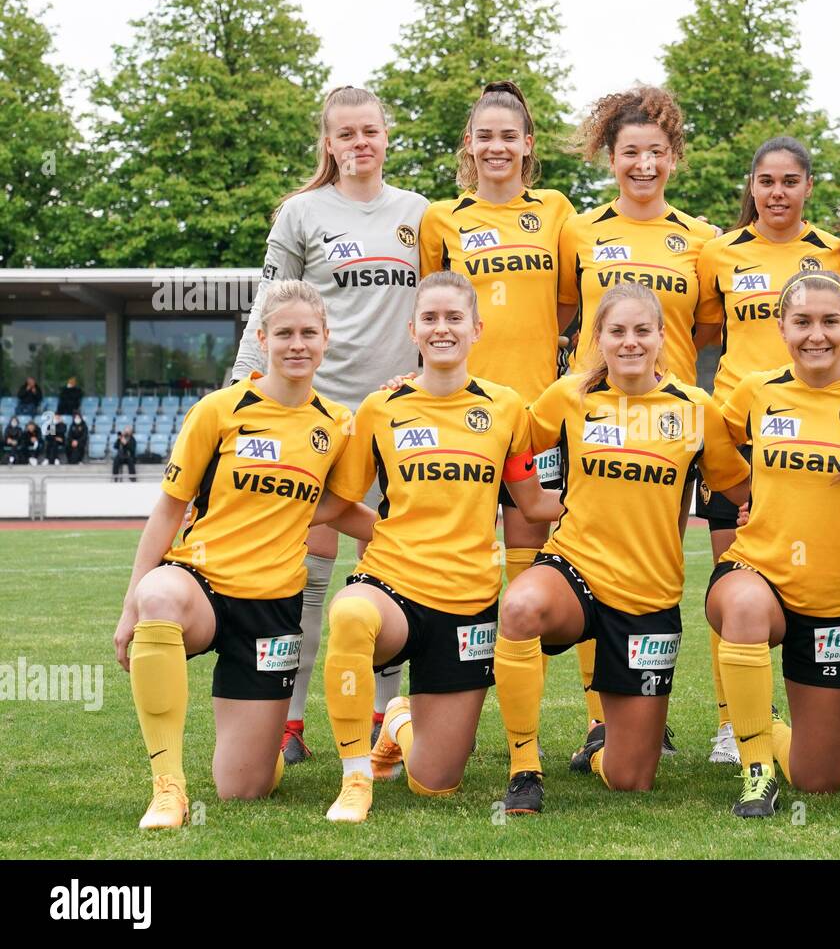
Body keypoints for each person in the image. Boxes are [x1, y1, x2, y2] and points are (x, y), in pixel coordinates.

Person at [112, 280, 371, 829]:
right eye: (284, 333)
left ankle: (258, 749)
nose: (296, 344)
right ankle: (168, 789)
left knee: (243, 789)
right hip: (201, 583)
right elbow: (168, 508)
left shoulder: (338, 424)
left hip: (273, 606)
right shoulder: (219, 410)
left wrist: (400, 535)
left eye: (308, 333)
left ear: (326, 339)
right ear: (262, 339)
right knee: (159, 594)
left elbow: (337, 507)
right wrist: (131, 603)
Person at [494, 282, 750, 815]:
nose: (629, 342)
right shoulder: (570, 396)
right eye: (617, 332)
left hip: (647, 599)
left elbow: (738, 486)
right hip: (575, 572)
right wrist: (535, 504)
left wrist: (769, 511)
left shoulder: (695, 408)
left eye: (641, 331)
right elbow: (506, 439)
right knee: (519, 606)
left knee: (631, 779)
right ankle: (524, 768)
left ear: (661, 337)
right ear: (599, 338)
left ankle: (597, 752)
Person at [230, 85, 429, 764]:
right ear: (330, 143)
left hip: (397, 428)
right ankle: (289, 723)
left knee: (392, 572)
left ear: (385, 135)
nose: (360, 143)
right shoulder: (301, 213)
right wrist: (241, 390)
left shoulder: (420, 216)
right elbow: (268, 305)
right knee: (307, 577)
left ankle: (385, 719)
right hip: (317, 426)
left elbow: (437, 315)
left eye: (369, 130)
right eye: (346, 134)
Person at [319, 271, 562, 823]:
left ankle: (398, 721)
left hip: (468, 603)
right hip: (392, 586)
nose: (442, 328)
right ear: (413, 329)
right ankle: (355, 777)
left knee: (435, 784)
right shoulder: (381, 408)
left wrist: (599, 504)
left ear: (477, 329)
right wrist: (386, 533)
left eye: (454, 318)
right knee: (351, 615)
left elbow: (531, 503)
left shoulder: (508, 410)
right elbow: (336, 503)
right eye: (430, 318)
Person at [705, 270, 840, 816]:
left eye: (829, 321)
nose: (815, 335)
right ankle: (755, 771)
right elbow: (710, 443)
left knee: (820, 780)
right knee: (745, 606)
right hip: (756, 572)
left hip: (835, 597)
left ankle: (762, 724)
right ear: (781, 328)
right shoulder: (756, 391)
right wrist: (744, 495)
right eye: (802, 322)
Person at [556, 85, 716, 752]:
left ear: (673, 157)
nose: (643, 164)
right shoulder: (581, 231)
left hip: (669, 425)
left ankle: (643, 707)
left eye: (655, 151)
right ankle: (600, 720)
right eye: (631, 152)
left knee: (657, 562)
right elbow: (565, 314)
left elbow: (705, 327)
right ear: (610, 157)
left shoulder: (699, 239)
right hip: (590, 420)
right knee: (591, 559)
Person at [691, 136, 840, 765]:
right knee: (735, 578)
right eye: (766, 181)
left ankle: (806, 705)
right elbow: (705, 331)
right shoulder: (719, 252)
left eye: (790, 181)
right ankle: (734, 723)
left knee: (815, 577)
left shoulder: (834, 253)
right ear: (750, 187)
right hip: (737, 433)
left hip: (813, 431)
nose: (777, 193)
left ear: (809, 186)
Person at [418, 81, 576, 677]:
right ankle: (441, 696)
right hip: (459, 418)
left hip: (534, 416)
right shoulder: (441, 219)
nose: (497, 148)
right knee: (453, 566)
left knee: (533, 573)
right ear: (468, 144)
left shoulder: (555, 210)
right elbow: (434, 309)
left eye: (509, 137)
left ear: (528, 144)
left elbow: (564, 305)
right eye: (485, 137)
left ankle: (575, 723)